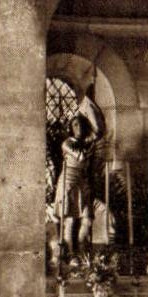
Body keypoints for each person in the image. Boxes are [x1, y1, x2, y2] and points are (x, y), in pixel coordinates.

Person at [55, 90, 105, 259]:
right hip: (69, 181)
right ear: (71, 128)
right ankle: (70, 254)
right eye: (75, 125)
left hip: (83, 183)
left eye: (81, 124)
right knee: (69, 220)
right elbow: (80, 155)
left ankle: (83, 252)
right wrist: (91, 141)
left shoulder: (87, 142)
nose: (79, 128)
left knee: (88, 219)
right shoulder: (67, 143)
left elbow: (97, 134)